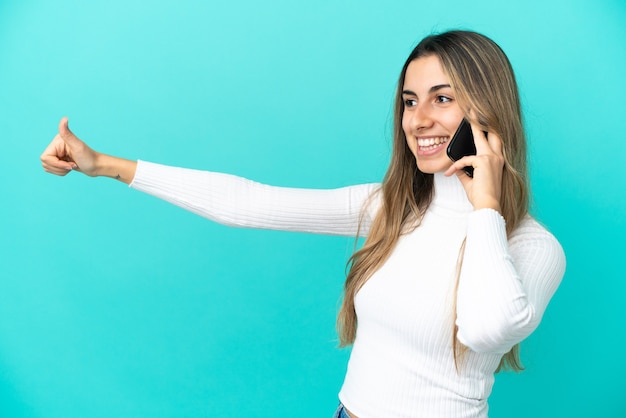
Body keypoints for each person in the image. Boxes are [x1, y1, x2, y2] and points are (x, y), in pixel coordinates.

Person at [40, 30, 566, 418]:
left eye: (442, 98)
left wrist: (486, 209)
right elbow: (248, 205)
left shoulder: (533, 247)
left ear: (488, 109)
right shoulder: (389, 208)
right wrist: (105, 165)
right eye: (410, 102)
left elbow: (486, 328)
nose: (418, 119)